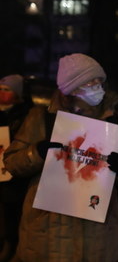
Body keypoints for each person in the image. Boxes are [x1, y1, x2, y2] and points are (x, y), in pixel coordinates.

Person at [3, 53, 118, 261]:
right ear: (72, 88)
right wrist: (36, 153)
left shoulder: (114, 120)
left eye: (99, 82)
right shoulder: (42, 118)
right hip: (49, 231)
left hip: (98, 235)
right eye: (90, 83)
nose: (98, 88)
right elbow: (11, 162)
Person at [0, 74, 33, 262]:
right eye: (0, 89)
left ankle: (12, 243)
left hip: (14, 176)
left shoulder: (26, 115)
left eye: (7, 90)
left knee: (13, 211)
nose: (2, 93)